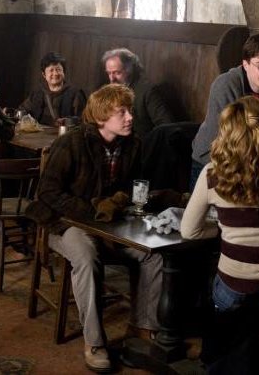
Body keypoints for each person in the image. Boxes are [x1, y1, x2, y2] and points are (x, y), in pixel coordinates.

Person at [32, 84, 162, 373]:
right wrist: (92, 210)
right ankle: (94, 343)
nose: (130, 117)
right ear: (102, 117)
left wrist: (127, 203)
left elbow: (133, 186)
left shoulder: (133, 143)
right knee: (87, 258)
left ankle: (142, 327)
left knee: (153, 254)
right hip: (65, 222)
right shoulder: (71, 143)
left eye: (130, 110)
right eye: (122, 112)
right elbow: (47, 193)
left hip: (111, 224)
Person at [182, 96, 259, 372]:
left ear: (227, 133)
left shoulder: (212, 175)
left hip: (233, 291)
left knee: (214, 284)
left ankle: (220, 353)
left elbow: (189, 231)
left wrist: (224, 228)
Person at [191, 34, 259, 190]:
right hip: (214, 160)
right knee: (208, 205)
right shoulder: (225, 84)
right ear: (245, 64)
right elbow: (226, 138)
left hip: (256, 166)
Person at [102, 47, 173, 137]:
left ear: (129, 70)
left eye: (117, 73)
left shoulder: (147, 91)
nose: (112, 79)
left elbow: (166, 126)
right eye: (109, 73)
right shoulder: (110, 89)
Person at [18, 51, 86, 126]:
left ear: (64, 72)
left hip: (64, 132)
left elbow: (83, 119)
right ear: (44, 74)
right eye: (51, 70)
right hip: (38, 132)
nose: (55, 73)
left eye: (58, 69)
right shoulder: (37, 93)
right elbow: (23, 110)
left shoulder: (75, 94)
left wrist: (68, 121)